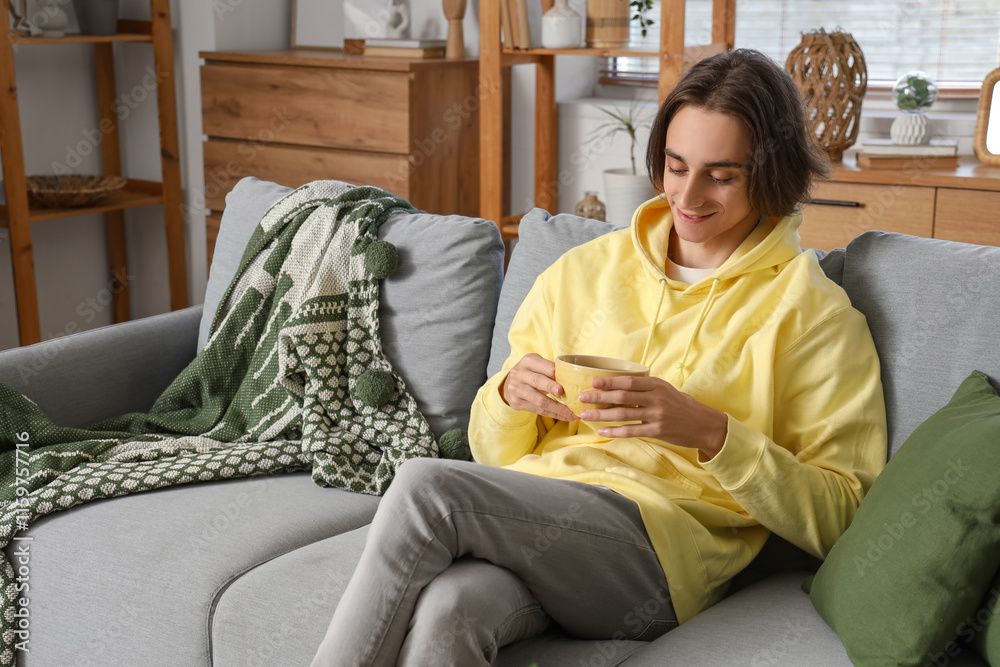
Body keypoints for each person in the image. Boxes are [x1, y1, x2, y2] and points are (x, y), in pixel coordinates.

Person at [310, 48, 887, 666]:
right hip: (540, 524)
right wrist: (507, 400)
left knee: (427, 489)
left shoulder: (813, 315)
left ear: (770, 174)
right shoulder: (582, 272)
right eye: (674, 165)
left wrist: (711, 433)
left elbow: (842, 516)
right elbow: (493, 455)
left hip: (661, 557)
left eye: (721, 175)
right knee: (451, 613)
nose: (686, 195)